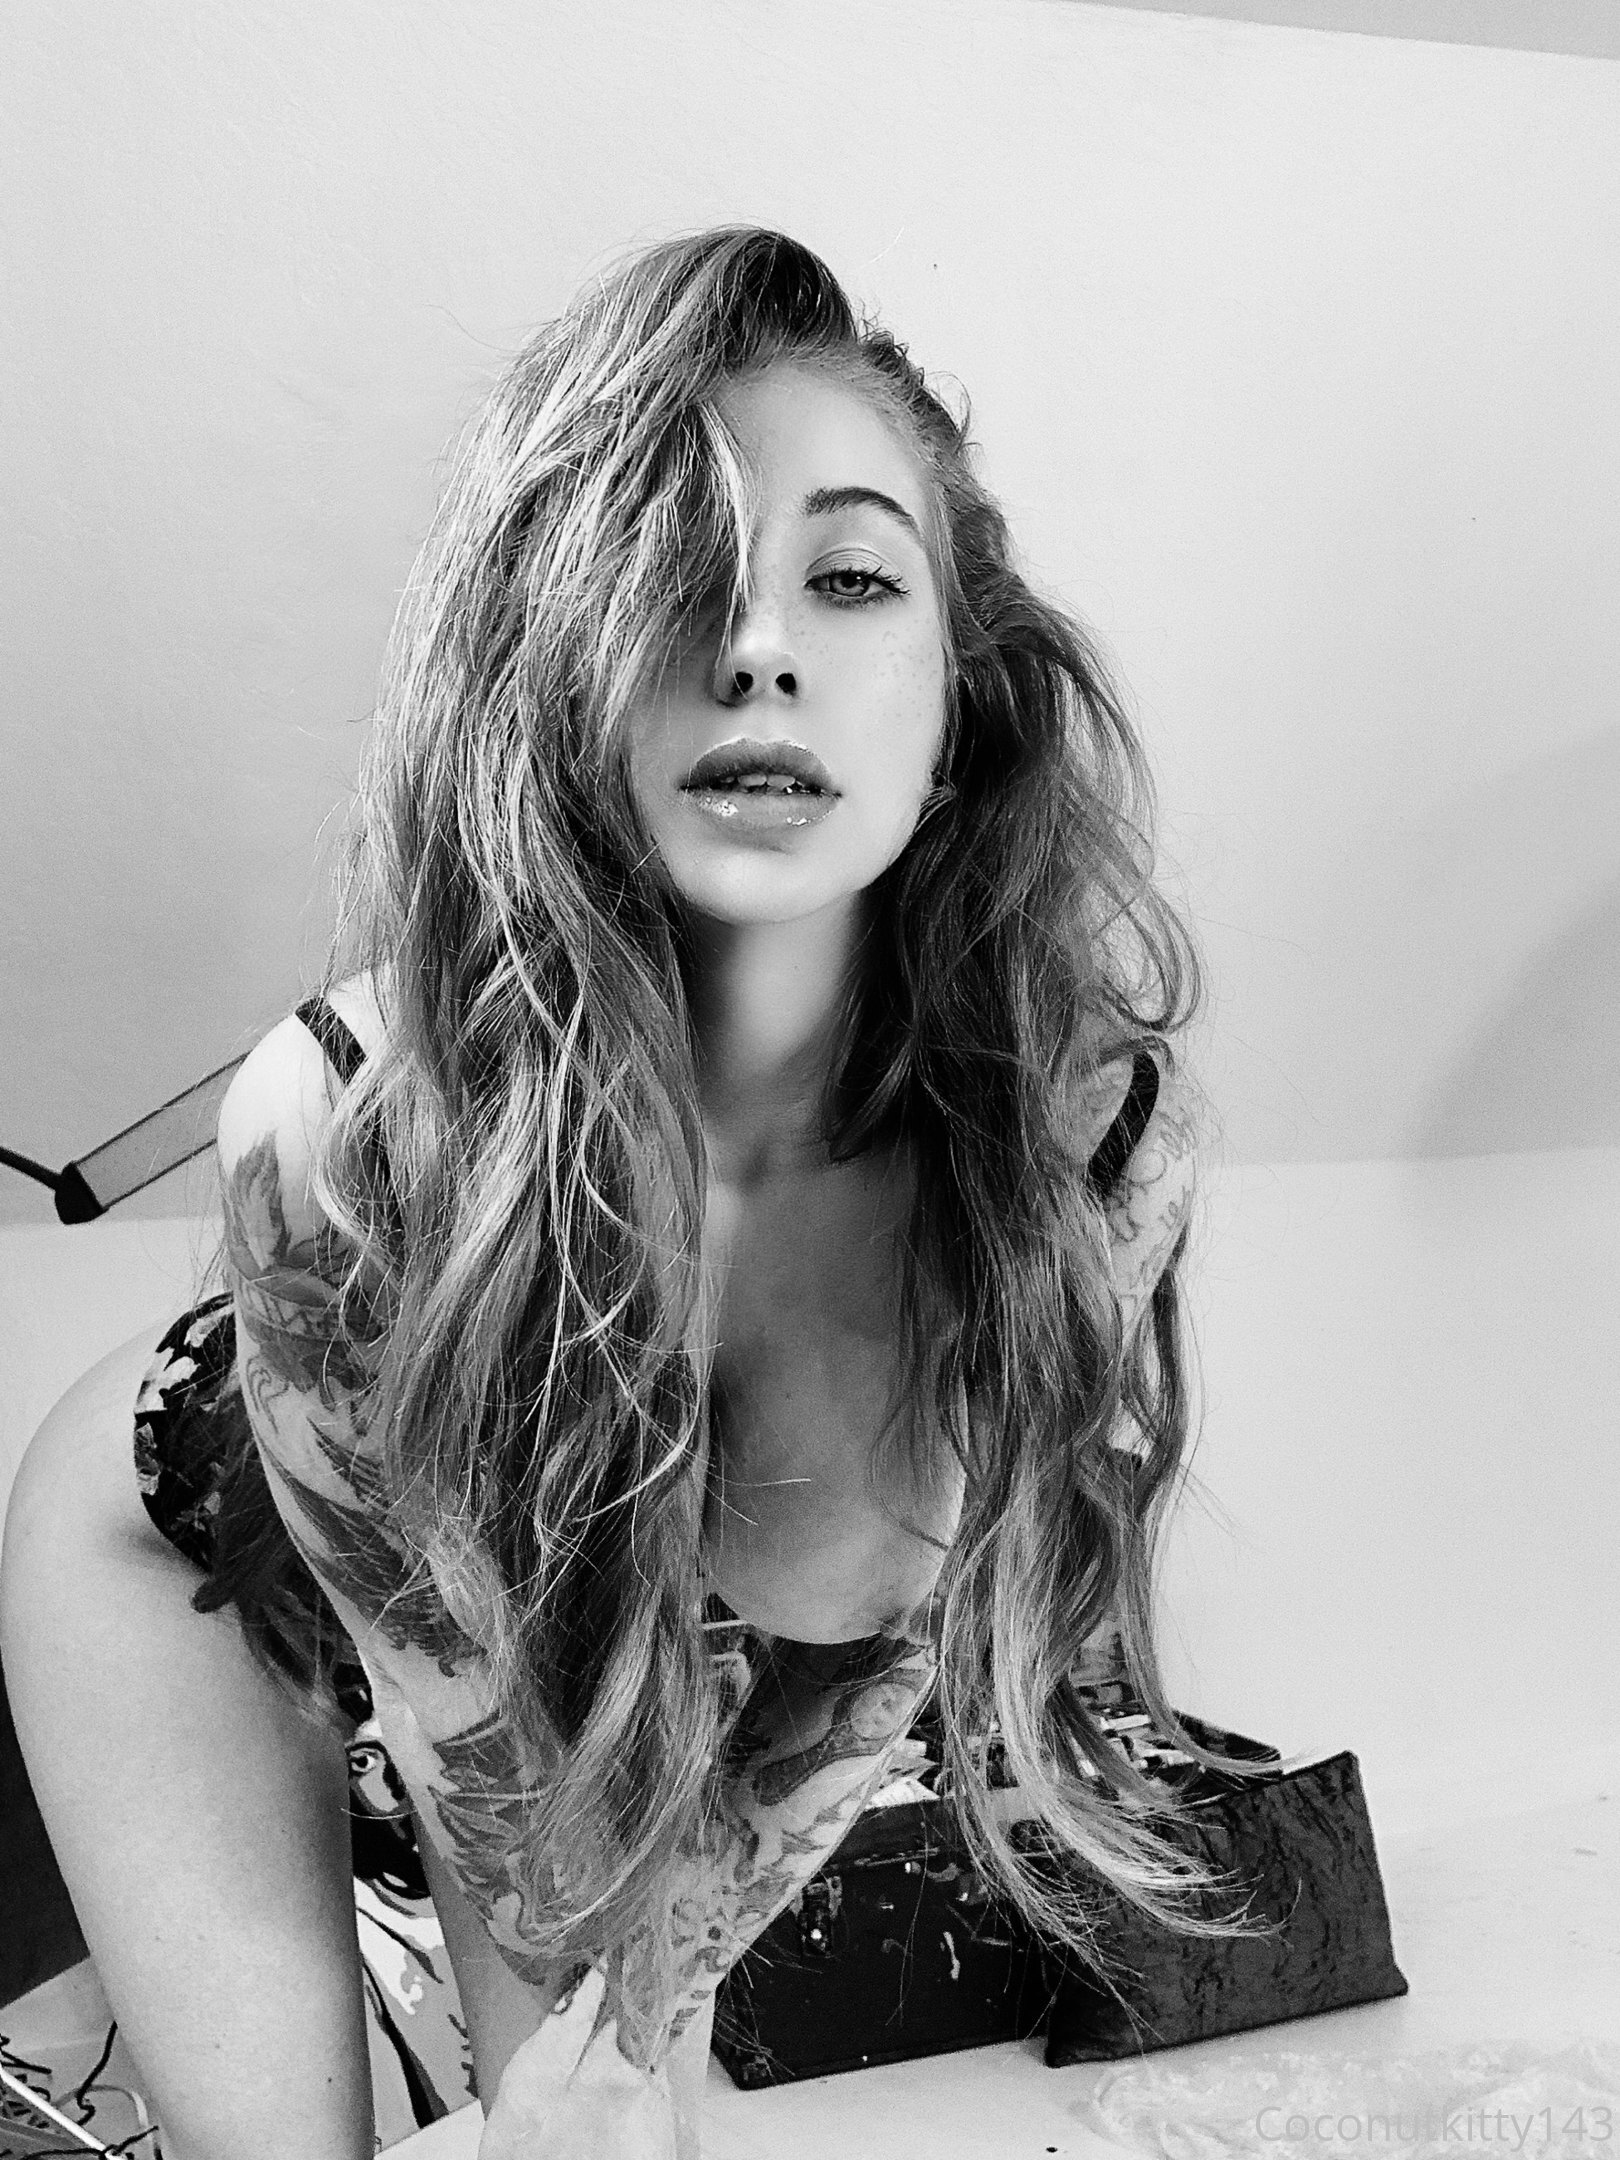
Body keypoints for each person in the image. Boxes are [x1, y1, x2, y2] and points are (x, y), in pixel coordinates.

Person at [1, 227, 1255, 2160]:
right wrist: (591, 2075)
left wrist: (625, 2057)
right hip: (190, 1573)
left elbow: (834, 1698)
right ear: (558, 677)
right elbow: (519, 1826)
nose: (757, 648)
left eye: (851, 578)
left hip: (564, 1698)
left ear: (962, 699)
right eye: (673, 577)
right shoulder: (350, 1126)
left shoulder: (1081, 1142)